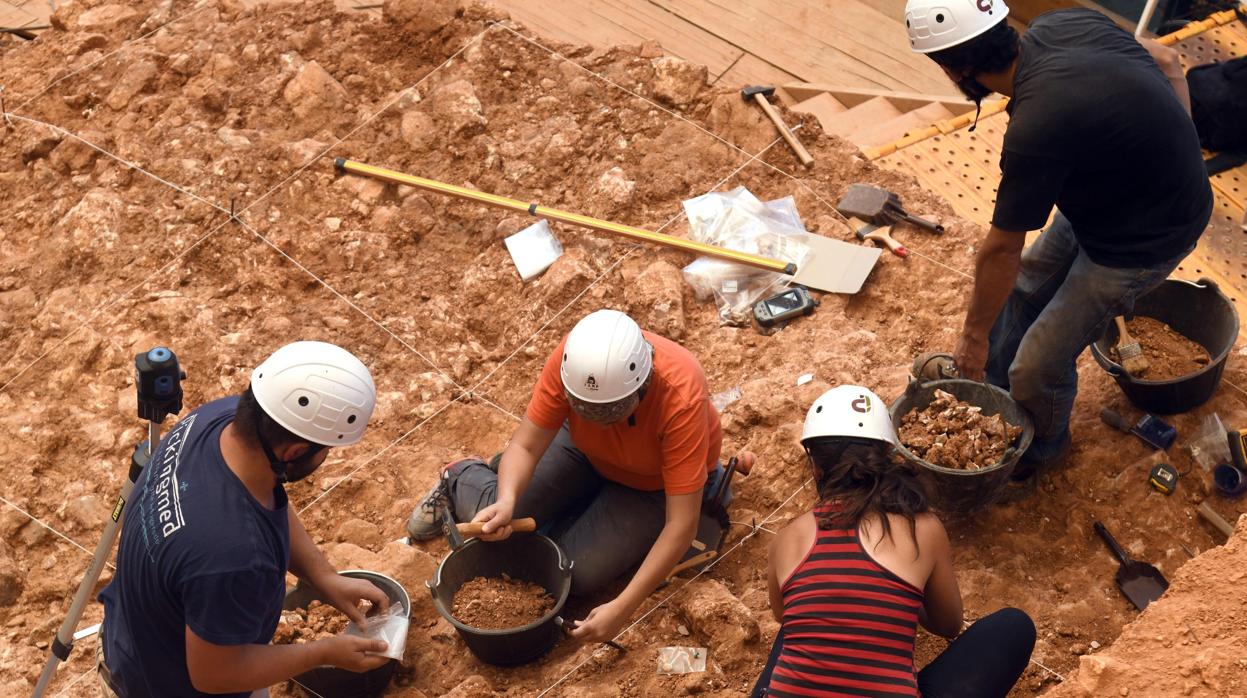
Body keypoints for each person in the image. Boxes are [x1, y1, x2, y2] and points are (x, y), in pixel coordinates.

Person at [903, 0, 1213, 482]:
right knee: (1028, 283)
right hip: (1109, 194)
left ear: (954, 67)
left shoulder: (1037, 125)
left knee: (1038, 368)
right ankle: (996, 385)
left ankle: (1042, 450)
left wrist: (972, 338)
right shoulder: (1066, 21)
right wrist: (1180, 151)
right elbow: (1168, 61)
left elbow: (1000, 248)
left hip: (1144, 240)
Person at [407, 309, 736, 644]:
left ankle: (587, 503)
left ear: (643, 384)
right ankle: (460, 475)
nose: (604, 424)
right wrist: (507, 501)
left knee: (571, 574)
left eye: (613, 413)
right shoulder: (574, 361)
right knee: (499, 518)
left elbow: (681, 524)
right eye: (588, 411)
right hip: (583, 451)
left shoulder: (680, 394)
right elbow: (526, 446)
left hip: (652, 486)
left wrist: (622, 608)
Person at [98, 341, 391, 697]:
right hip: (168, 684)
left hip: (133, 639)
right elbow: (214, 675)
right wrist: (324, 652)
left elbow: (265, 498)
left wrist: (322, 576)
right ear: (295, 453)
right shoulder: (232, 557)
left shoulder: (216, 420)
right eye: (325, 449)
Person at [753, 386, 1035, 697]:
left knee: (797, 624)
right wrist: (904, 594)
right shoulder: (922, 528)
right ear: (888, 455)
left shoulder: (786, 539)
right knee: (1012, 627)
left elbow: (783, 615)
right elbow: (947, 624)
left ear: (816, 468)